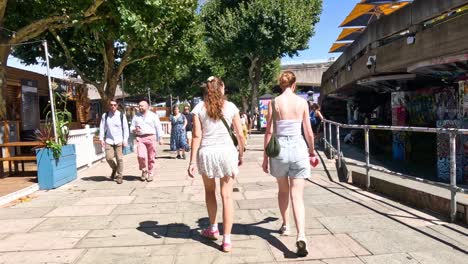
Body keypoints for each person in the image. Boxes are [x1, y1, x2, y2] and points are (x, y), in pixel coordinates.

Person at [187, 76, 245, 253]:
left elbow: (197, 136)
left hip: (207, 153)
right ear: (221, 89)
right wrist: (241, 153)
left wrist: (191, 161)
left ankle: (213, 228)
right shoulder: (231, 107)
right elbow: (240, 134)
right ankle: (226, 240)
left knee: (210, 192)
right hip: (227, 153)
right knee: (226, 196)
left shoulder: (198, 109)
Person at [262, 71, 315, 257]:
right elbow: (308, 131)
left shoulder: (274, 103)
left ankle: (286, 225)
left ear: (281, 84)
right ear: (294, 85)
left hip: (280, 150)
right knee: (297, 195)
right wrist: (312, 151)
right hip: (299, 147)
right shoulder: (302, 103)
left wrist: (264, 157)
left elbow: (268, 132)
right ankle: (301, 234)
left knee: (283, 190)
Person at [130, 99, 164, 182]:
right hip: (140, 138)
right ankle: (144, 170)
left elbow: (158, 126)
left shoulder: (153, 115)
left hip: (151, 137)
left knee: (151, 157)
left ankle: (151, 173)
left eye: (141, 106)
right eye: (139, 106)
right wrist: (134, 130)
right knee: (141, 156)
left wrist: (161, 137)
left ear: (147, 106)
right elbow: (131, 127)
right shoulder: (136, 116)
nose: (139, 107)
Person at [99, 100, 129, 184]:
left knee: (119, 158)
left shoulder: (121, 115)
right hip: (109, 140)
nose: (113, 106)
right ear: (109, 105)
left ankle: (120, 176)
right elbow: (102, 127)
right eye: (111, 105)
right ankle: (114, 168)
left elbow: (126, 128)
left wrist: (125, 140)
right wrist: (101, 138)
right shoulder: (105, 115)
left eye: (114, 105)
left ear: (117, 105)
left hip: (119, 140)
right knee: (108, 158)